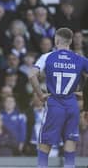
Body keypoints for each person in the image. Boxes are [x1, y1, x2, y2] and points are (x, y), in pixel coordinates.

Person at [28, 27, 88, 168]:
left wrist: (40, 95)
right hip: (72, 104)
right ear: (71, 41)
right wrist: (83, 94)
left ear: (56, 40)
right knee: (70, 141)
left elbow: (31, 75)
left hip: (55, 103)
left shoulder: (48, 56)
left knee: (45, 142)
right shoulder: (79, 59)